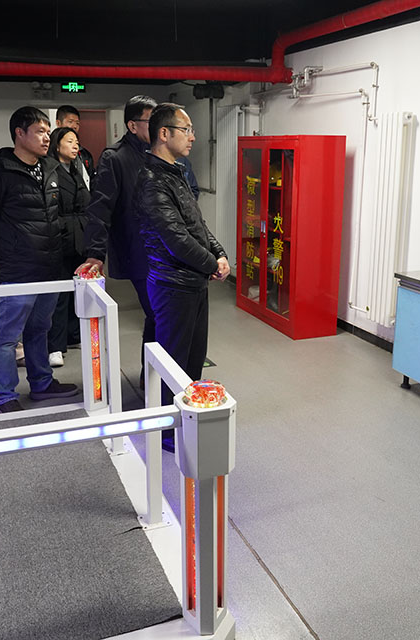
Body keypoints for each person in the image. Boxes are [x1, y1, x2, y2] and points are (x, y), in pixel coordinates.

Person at [0, 106, 79, 412]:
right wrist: (4, 252)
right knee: (8, 335)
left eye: (48, 132)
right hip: (18, 269)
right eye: (40, 132)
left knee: (39, 329)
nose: (46, 138)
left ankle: (41, 383)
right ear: (19, 133)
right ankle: (5, 394)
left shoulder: (51, 168)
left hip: (50, 266)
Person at [135, 103, 229, 448]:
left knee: (192, 360)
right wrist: (211, 264)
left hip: (193, 282)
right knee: (173, 362)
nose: (193, 137)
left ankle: (184, 421)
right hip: (172, 284)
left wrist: (219, 253)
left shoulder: (176, 172)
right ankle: (166, 430)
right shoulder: (151, 180)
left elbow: (196, 224)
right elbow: (176, 240)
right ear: (164, 133)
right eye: (186, 130)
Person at [76, 95, 157, 386]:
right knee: (156, 313)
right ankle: (152, 379)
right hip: (137, 249)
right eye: (151, 121)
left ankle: (162, 374)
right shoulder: (116, 157)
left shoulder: (159, 153)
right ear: (132, 125)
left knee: (164, 315)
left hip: (164, 249)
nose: (159, 127)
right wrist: (95, 253)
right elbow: (100, 208)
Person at [47, 126, 89, 367]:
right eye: (70, 141)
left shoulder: (76, 170)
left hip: (79, 238)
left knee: (77, 290)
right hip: (60, 238)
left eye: (77, 142)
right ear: (57, 144)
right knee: (60, 295)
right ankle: (55, 345)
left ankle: (73, 335)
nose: (75, 146)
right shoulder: (50, 171)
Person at [55, 105, 94, 183]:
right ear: (58, 123)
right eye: (70, 122)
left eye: (77, 123)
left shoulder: (84, 154)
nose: (75, 126)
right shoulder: (48, 151)